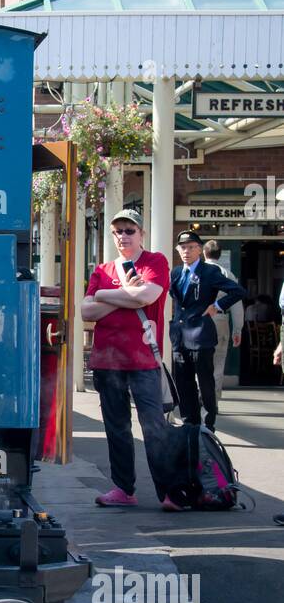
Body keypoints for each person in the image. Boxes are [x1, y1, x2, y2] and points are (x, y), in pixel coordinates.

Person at [81, 209, 174, 509]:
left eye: (129, 230)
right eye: (118, 231)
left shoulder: (156, 261)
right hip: (108, 362)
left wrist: (104, 296)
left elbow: (146, 297)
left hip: (144, 360)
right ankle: (123, 489)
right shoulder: (102, 270)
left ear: (141, 234)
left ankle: (169, 491)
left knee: (154, 427)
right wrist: (123, 292)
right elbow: (86, 312)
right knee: (116, 428)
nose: (123, 236)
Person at [169, 231, 246, 433]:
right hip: (180, 337)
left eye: (191, 247)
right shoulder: (176, 273)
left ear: (200, 250)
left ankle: (207, 423)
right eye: (182, 247)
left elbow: (238, 291)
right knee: (183, 384)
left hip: (202, 336)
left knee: (205, 383)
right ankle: (189, 423)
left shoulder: (210, 272)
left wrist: (217, 306)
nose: (186, 251)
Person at [203, 239, 244, 401]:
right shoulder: (228, 274)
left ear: (204, 253)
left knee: (200, 359)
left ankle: (201, 394)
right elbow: (236, 304)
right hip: (221, 319)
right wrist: (237, 329)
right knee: (218, 362)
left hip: (201, 319)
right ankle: (213, 399)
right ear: (219, 255)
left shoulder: (197, 271)